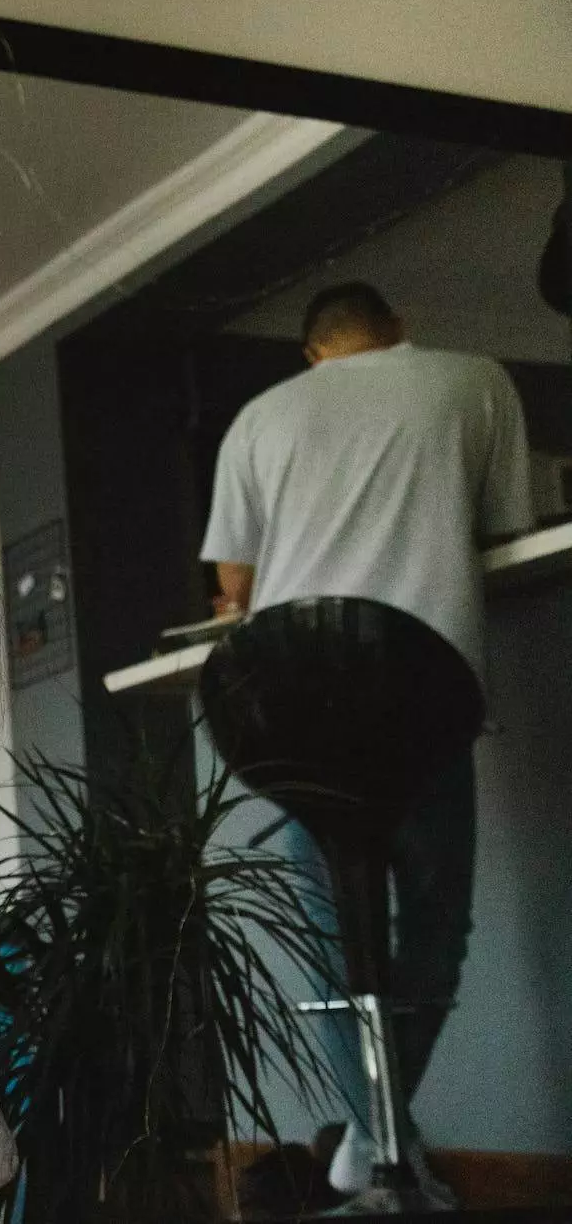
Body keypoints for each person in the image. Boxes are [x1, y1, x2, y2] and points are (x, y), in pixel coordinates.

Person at [200, 280, 535, 1205]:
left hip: (288, 710)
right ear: (399, 331)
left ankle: (370, 1142)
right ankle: (379, 1144)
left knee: (330, 941)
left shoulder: (258, 418)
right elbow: (506, 525)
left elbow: (233, 586)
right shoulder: (474, 379)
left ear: (311, 353)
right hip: (417, 694)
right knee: (433, 928)